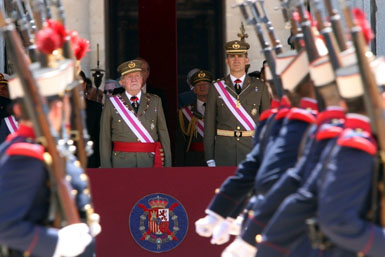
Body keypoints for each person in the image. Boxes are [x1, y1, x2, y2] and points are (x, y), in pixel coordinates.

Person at [0, 64, 99, 256]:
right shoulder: (24, 155)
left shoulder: (53, 148)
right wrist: (58, 243)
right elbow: (6, 226)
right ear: (57, 108)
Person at [204, 40, 271, 167]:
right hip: (224, 152)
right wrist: (209, 158)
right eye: (232, 56)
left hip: (251, 151)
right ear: (226, 61)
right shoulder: (216, 87)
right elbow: (209, 126)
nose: (236, 60)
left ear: (247, 60)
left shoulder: (260, 86)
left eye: (240, 56)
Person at [99, 59, 171, 167]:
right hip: (121, 162)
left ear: (142, 79)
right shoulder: (112, 103)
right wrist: (106, 168)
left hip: (149, 161)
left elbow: (163, 134)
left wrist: (167, 164)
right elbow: (105, 138)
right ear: (122, 82)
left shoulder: (155, 101)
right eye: (129, 77)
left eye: (137, 76)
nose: (134, 80)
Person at [175, 69, 213, 166]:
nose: (202, 87)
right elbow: (180, 144)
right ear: (194, 89)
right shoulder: (184, 113)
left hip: (218, 159)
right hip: (194, 162)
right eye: (198, 84)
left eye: (205, 84)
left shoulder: (221, 111)